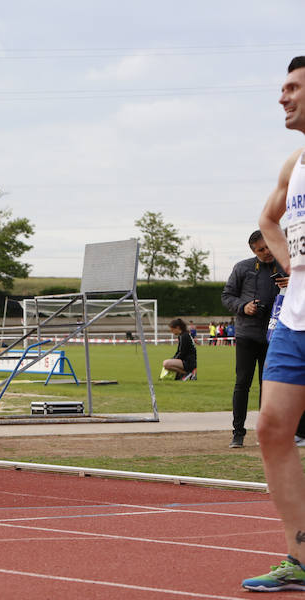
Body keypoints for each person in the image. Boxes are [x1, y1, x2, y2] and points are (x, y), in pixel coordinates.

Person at [241, 56, 305, 592]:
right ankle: (300, 557)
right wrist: (290, 265)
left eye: (292, 87)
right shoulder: (295, 162)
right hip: (296, 319)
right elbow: (268, 218)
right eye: (281, 87)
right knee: (270, 428)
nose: (281, 97)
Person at [221, 230, 287, 449]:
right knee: (242, 384)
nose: (267, 252)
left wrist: (292, 285)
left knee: (268, 386)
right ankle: (237, 433)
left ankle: (265, 432)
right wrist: (243, 306)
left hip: (274, 335)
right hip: (247, 335)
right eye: (261, 249)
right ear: (253, 250)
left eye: (269, 247)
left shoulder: (284, 265)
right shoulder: (242, 267)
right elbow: (226, 296)